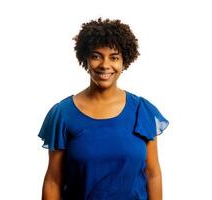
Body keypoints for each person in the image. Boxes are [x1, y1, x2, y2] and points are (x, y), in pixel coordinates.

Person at [38, 17, 169, 200]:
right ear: (85, 59)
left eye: (114, 57)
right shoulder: (63, 114)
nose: (105, 65)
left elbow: (153, 174)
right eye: (96, 56)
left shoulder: (142, 111)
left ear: (124, 61)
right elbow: (53, 180)